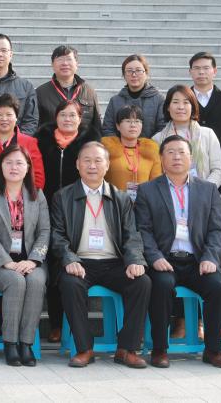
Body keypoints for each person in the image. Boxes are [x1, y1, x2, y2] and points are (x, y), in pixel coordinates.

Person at [51, 141, 150, 368]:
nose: (92, 166)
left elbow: (132, 235)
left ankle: (127, 348)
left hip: (113, 262)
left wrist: (135, 260)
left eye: (98, 160)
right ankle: (84, 348)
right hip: (80, 262)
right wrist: (69, 259)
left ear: (107, 165)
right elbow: (57, 235)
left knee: (142, 282)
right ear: (77, 164)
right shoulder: (62, 197)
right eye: (87, 160)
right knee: (70, 283)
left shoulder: (121, 198)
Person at [134, 136, 221, 369]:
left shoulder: (208, 190)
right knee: (161, 286)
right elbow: (142, 230)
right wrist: (155, 257)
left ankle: (213, 350)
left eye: (181, 152)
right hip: (165, 259)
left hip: (198, 260)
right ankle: (159, 349)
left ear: (191, 158)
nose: (176, 157)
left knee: (218, 289)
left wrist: (210, 257)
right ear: (161, 158)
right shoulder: (148, 190)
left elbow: (217, 230)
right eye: (170, 152)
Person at [0, 143, 49, 367]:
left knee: (36, 281)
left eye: (19, 163)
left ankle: (26, 344)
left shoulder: (38, 195)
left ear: (28, 167)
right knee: (16, 281)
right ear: (1, 166)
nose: (14, 167)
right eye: (8, 162)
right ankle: (10, 344)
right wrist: (6, 262)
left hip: (29, 260)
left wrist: (33, 260)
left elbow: (45, 231)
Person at [36, 100, 102, 340]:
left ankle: (75, 324)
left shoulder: (89, 141)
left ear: (80, 119)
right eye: (63, 114)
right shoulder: (42, 139)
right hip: (46, 207)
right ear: (56, 117)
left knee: (75, 263)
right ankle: (56, 324)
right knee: (55, 264)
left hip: (79, 208)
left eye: (72, 115)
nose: (67, 119)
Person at [152, 85, 221, 187]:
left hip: (204, 193)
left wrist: (205, 190)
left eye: (186, 102)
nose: (181, 107)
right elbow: (156, 174)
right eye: (175, 102)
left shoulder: (207, 134)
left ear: (192, 106)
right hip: (170, 193)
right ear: (168, 107)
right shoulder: (157, 139)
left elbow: (218, 170)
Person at [35, 46, 102, 134]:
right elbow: (35, 125)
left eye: (69, 59)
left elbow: (97, 124)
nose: (65, 63)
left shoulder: (89, 92)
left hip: (83, 142)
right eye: (60, 59)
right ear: (52, 64)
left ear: (76, 64)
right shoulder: (40, 92)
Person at [102, 105, 161, 201]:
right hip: (114, 204)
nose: (133, 125)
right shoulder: (106, 150)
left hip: (144, 204)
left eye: (137, 121)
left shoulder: (151, 151)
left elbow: (156, 183)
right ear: (118, 126)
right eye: (128, 121)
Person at [102, 54, 166, 138]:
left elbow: (163, 129)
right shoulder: (115, 101)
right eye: (129, 71)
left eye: (138, 70)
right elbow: (108, 130)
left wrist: (147, 144)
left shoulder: (159, 99)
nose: (134, 75)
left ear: (146, 74)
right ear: (124, 75)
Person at [189, 52, 221, 144]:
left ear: (215, 71)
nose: (201, 72)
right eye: (197, 68)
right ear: (190, 72)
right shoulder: (184, 99)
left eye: (206, 68)